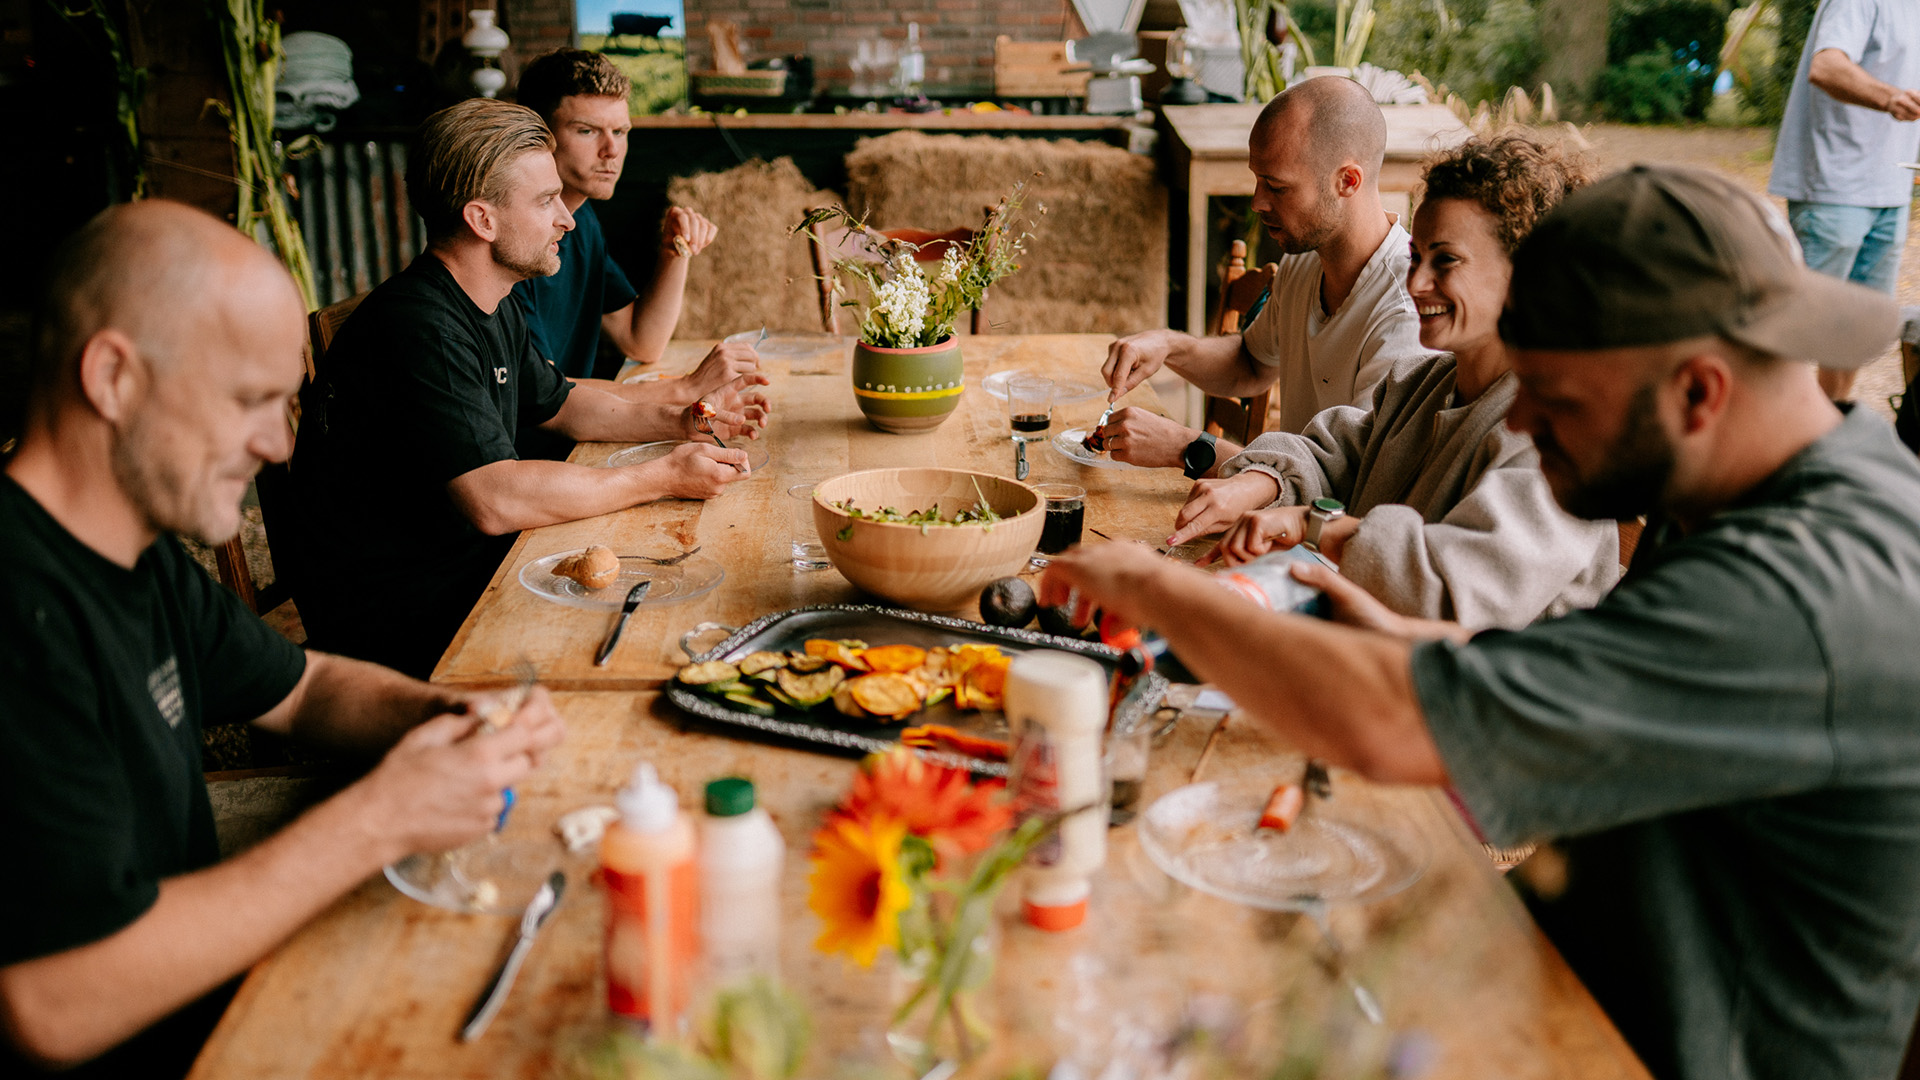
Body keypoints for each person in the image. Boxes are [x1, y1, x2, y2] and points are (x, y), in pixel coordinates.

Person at [1040, 165, 1920, 1080]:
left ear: (1700, 392)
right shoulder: (1792, 486)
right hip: (1568, 978)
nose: (1525, 422)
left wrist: (1153, 586)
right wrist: (1419, 642)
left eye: (1561, 397)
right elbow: (1602, 670)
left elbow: (1394, 723)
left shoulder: (1799, 591)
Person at [0, 200, 565, 1079]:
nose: (276, 445)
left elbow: (301, 687)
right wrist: (380, 817)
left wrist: (451, 717)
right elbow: (56, 1002)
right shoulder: (19, 603)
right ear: (114, 377)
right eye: (252, 401)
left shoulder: (134, 556)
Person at [291, 99, 760, 678]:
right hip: (407, 627)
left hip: (468, 571)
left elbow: (559, 402)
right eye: (545, 201)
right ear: (483, 220)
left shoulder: (490, 297)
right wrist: (661, 476)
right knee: (675, 624)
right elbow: (496, 499)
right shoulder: (422, 328)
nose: (566, 218)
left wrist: (679, 422)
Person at [1167, 135, 1617, 630]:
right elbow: (1335, 456)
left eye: (1445, 260)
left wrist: (1318, 526)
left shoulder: (1562, 439)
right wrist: (1264, 479)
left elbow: (1455, 588)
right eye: (1417, 256)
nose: (1416, 281)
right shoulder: (1423, 384)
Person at [1093, 74, 1425, 479]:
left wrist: (1189, 448)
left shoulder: (1407, 311)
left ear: (1347, 181)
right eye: (1256, 178)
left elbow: (1346, 486)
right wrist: (1168, 345)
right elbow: (1250, 364)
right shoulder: (1305, 261)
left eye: (1277, 186)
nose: (1257, 201)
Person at [1768, 0, 1920, 403]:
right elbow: (1828, 67)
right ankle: (1772, 444)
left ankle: (1831, 428)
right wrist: (1888, 98)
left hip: (1893, 186)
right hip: (1833, 185)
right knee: (1798, 331)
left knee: (1855, 332)